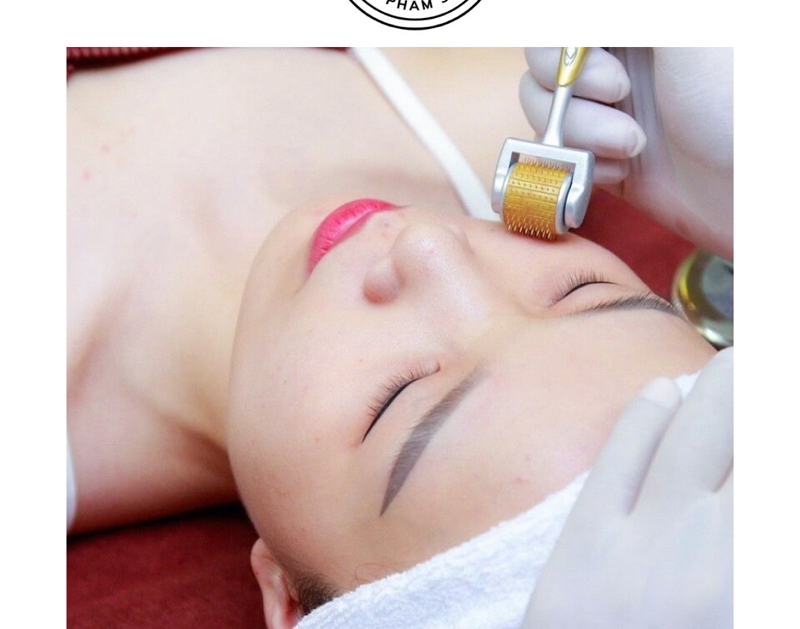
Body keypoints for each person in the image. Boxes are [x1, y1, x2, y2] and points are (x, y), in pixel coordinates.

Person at [67, 47, 732, 627]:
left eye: (398, 396)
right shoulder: (601, 101)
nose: (428, 244)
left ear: (289, 600)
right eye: (582, 290)